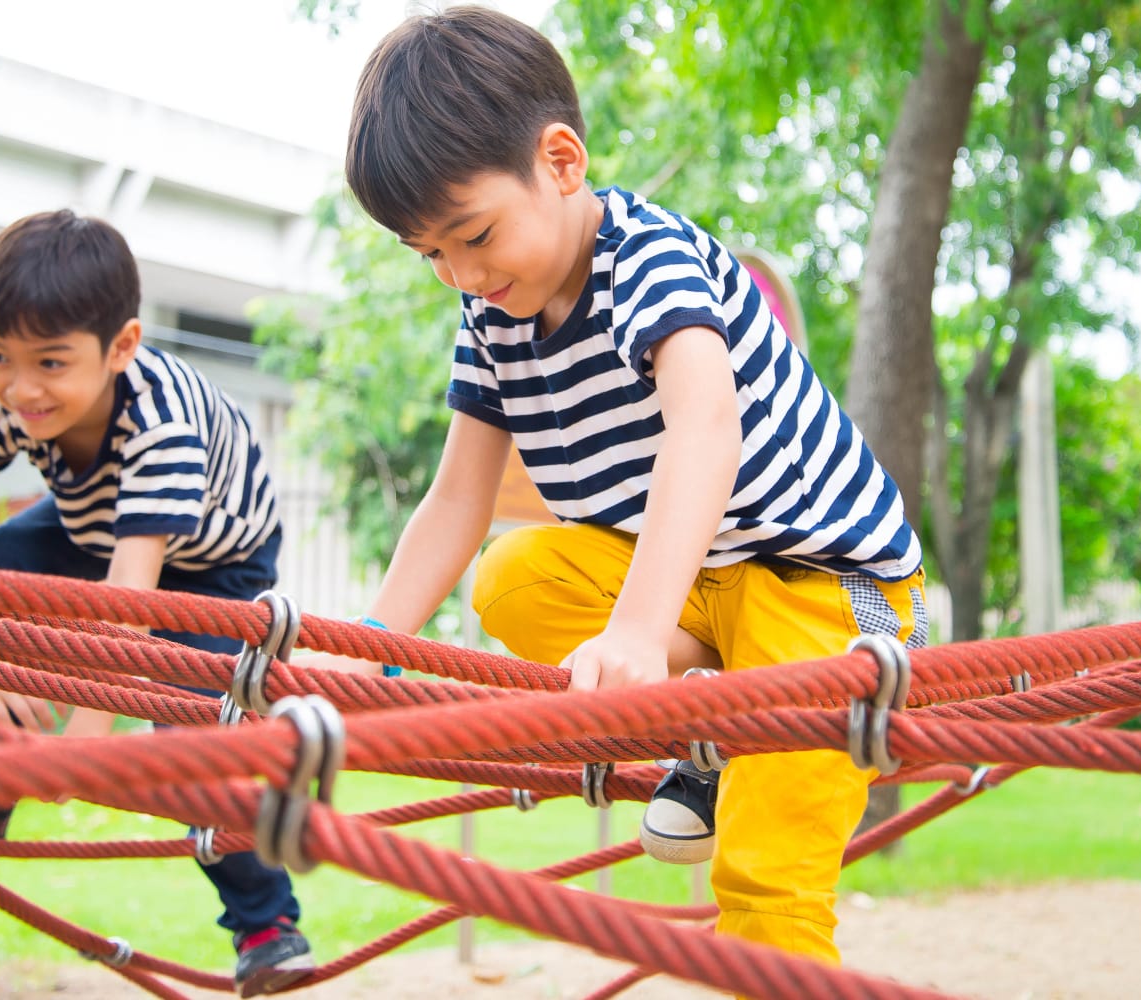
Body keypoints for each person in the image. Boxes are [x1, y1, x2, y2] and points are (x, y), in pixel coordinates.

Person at [307, 6, 931, 969]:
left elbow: (705, 430)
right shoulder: (492, 320)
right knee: (512, 579)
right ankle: (719, 716)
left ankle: (732, 735)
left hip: (821, 584)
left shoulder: (647, 258)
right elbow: (456, 503)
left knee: (768, 876)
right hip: (696, 592)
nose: (461, 276)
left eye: (473, 235)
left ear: (561, 162)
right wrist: (371, 652)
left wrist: (639, 633)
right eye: (428, 253)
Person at [0, 209, 313, 994]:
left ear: (122, 347)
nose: (22, 387)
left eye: (50, 361)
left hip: (214, 563)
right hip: (99, 531)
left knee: (193, 724)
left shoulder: (160, 426)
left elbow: (125, 616)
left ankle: (267, 923)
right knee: (1, 558)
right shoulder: (2, 399)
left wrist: (75, 753)